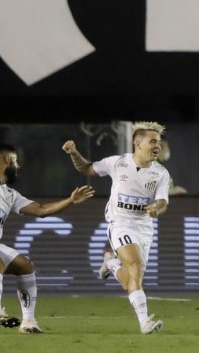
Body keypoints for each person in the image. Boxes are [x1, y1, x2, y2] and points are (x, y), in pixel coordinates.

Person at [0, 144, 95, 334]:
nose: (18, 166)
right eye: (16, 161)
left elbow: (40, 210)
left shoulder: (10, 194)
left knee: (24, 265)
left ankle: (29, 323)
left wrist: (70, 200)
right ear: (7, 160)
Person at [62, 121, 170, 335]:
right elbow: (86, 168)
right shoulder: (117, 163)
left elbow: (163, 202)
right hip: (120, 223)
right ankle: (144, 323)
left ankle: (111, 263)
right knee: (136, 266)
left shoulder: (161, 173)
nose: (157, 145)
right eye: (152, 141)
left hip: (144, 228)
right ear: (137, 143)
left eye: (158, 141)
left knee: (130, 281)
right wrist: (74, 152)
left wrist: (157, 208)